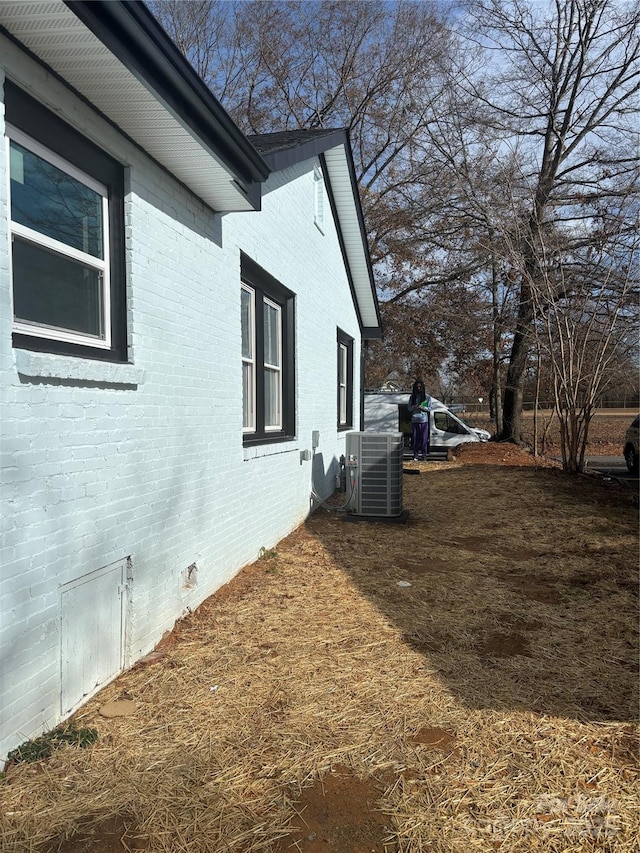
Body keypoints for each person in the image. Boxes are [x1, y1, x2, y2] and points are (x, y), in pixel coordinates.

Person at [408, 379, 431, 461]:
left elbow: (429, 408)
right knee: (415, 439)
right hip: (415, 420)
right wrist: (414, 407)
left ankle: (424, 455)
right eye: (417, 387)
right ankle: (415, 455)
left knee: (424, 439)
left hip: (424, 420)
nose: (418, 388)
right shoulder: (412, 397)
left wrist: (422, 407)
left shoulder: (427, 397)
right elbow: (409, 408)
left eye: (420, 387)